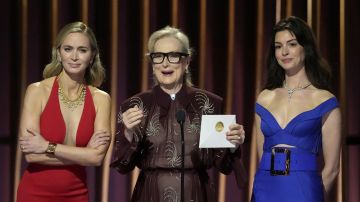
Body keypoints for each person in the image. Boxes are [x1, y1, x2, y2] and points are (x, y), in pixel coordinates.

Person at [111, 26, 246, 202]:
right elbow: (122, 166)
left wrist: (232, 145)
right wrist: (127, 134)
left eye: (173, 56)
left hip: (197, 194)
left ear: (187, 61)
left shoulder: (208, 104)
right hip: (150, 195)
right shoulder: (135, 105)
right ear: (152, 64)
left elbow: (224, 166)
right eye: (158, 57)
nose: (165, 63)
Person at [17, 22, 111, 202]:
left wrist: (47, 147)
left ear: (92, 56)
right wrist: (84, 154)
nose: (74, 57)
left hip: (77, 194)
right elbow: (31, 154)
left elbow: (97, 158)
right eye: (68, 49)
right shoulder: (37, 91)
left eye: (82, 50)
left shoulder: (101, 99)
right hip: (34, 194)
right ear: (58, 54)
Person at [251, 16, 341, 202]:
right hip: (265, 189)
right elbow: (262, 157)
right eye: (278, 46)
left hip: (304, 190)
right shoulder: (264, 98)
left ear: (305, 48)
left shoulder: (324, 100)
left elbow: (332, 168)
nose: (284, 52)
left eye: (292, 44)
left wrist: (314, 196)